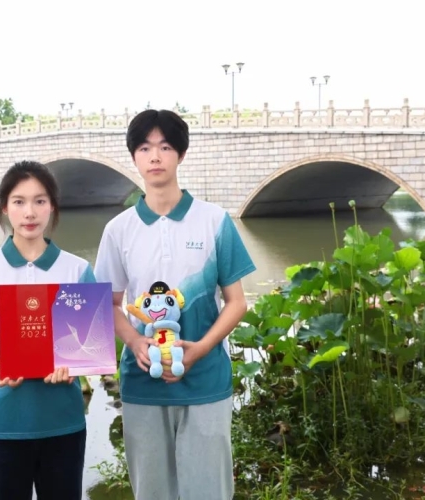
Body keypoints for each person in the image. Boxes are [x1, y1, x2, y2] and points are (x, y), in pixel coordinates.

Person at [94, 109, 256, 499]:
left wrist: (201, 349)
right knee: (152, 491)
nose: (155, 156)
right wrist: (135, 341)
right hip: (142, 379)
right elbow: (108, 304)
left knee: (209, 489)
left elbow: (236, 302)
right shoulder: (118, 230)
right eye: (145, 148)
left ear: (180, 154)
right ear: (133, 156)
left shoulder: (214, 221)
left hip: (205, 377)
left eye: (165, 147)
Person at [0, 160, 93, 500]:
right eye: (19, 201)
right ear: (4, 208)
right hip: (2, 418)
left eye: (40, 201)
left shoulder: (76, 269)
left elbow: (88, 347)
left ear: (52, 206)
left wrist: (73, 366)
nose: (30, 212)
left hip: (62, 419)